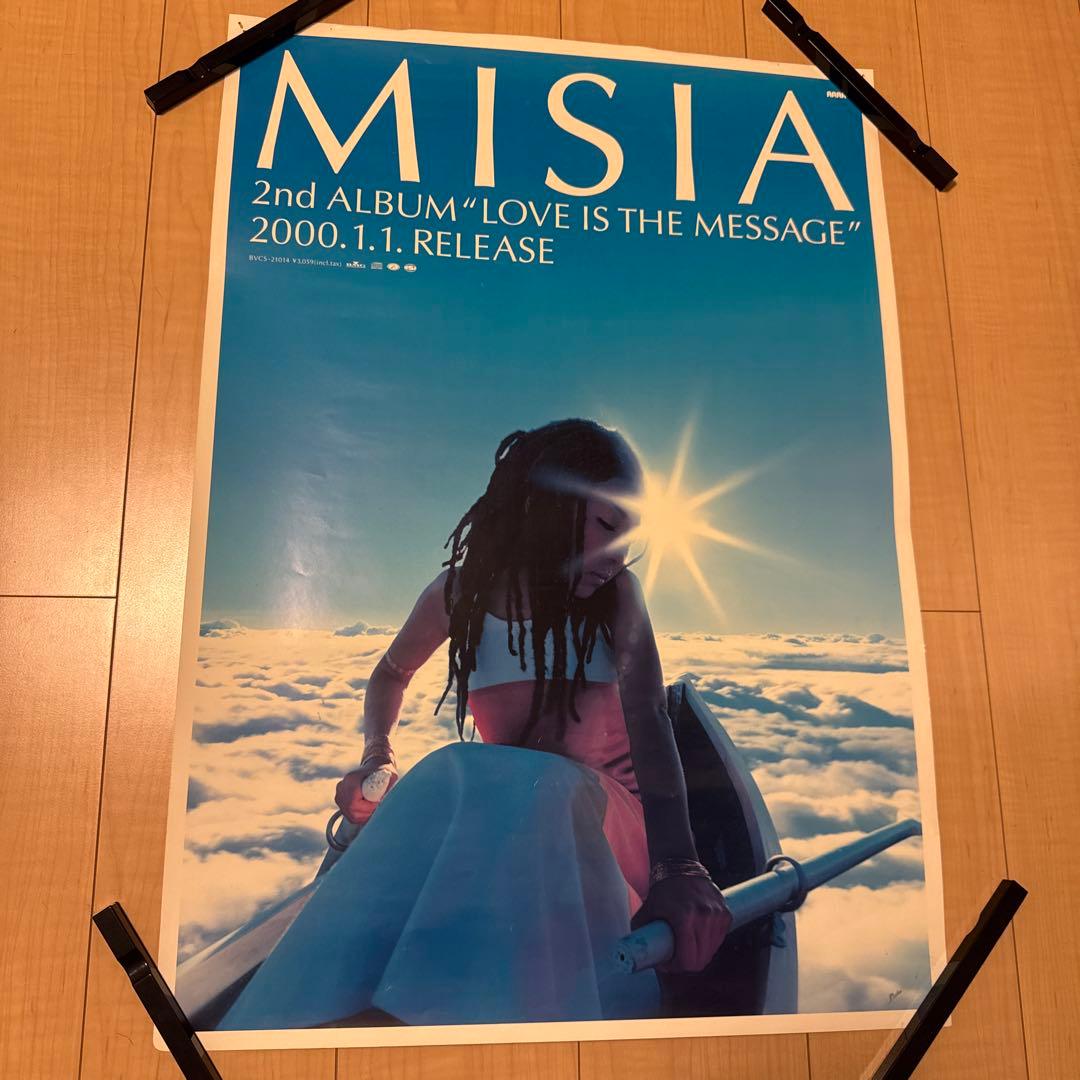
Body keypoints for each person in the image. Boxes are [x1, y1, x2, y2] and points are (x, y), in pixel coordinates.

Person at [219, 419, 731, 1030]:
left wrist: (680, 868)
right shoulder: (459, 595)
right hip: (507, 824)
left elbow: (651, 720)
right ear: (546, 506)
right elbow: (390, 673)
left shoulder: (618, 597)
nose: (619, 554)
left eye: (631, 533)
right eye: (606, 525)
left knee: (524, 783)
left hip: (608, 833)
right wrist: (378, 755)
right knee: (449, 772)